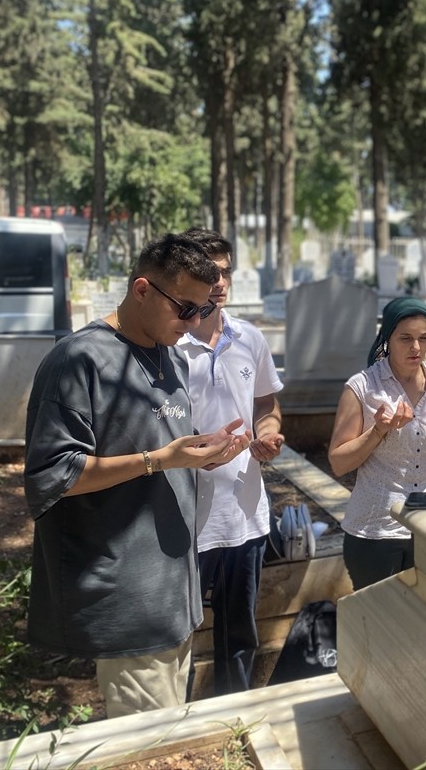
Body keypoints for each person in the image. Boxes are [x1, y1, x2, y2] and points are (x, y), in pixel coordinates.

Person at [23, 234, 252, 718]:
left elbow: (160, 443)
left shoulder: (165, 351)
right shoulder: (79, 360)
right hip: (127, 600)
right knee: (152, 748)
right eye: (185, 308)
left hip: (173, 598)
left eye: (201, 311)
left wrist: (200, 453)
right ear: (143, 289)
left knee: (170, 739)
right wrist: (159, 460)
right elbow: (53, 474)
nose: (193, 323)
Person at [176, 228, 284, 696]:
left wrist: (267, 434)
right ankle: (175, 731)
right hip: (184, 521)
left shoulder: (250, 339)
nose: (219, 282)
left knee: (238, 639)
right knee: (176, 639)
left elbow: (267, 405)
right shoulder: (169, 346)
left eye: (226, 272)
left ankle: (233, 727)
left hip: (244, 515)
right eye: (209, 272)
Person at [327, 297, 426, 590]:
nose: (416, 347)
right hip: (375, 532)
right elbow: (338, 462)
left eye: (423, 338)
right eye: (405, 338)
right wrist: (378, 431)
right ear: (388, 338)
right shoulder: (363, 387)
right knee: (380, 627)